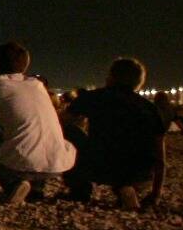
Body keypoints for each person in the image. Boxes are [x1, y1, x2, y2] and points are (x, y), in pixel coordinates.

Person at [0, 40, 76, 203]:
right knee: (34, 137)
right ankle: (36, 190)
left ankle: (13, 184)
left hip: (23, 162)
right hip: (58, 162)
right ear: (25, 66)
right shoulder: (37, 86)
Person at [63, 57, 168, 211]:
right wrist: (155, 193)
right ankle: (125, 188)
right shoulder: (150, 108)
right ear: (139, 81)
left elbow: (62, 121)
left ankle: (80, 189)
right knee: (128, 162)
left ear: (111, 76)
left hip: (101, 166)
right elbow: (160, 156)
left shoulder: (94, 97)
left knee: (68, 131)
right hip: (141, 172)